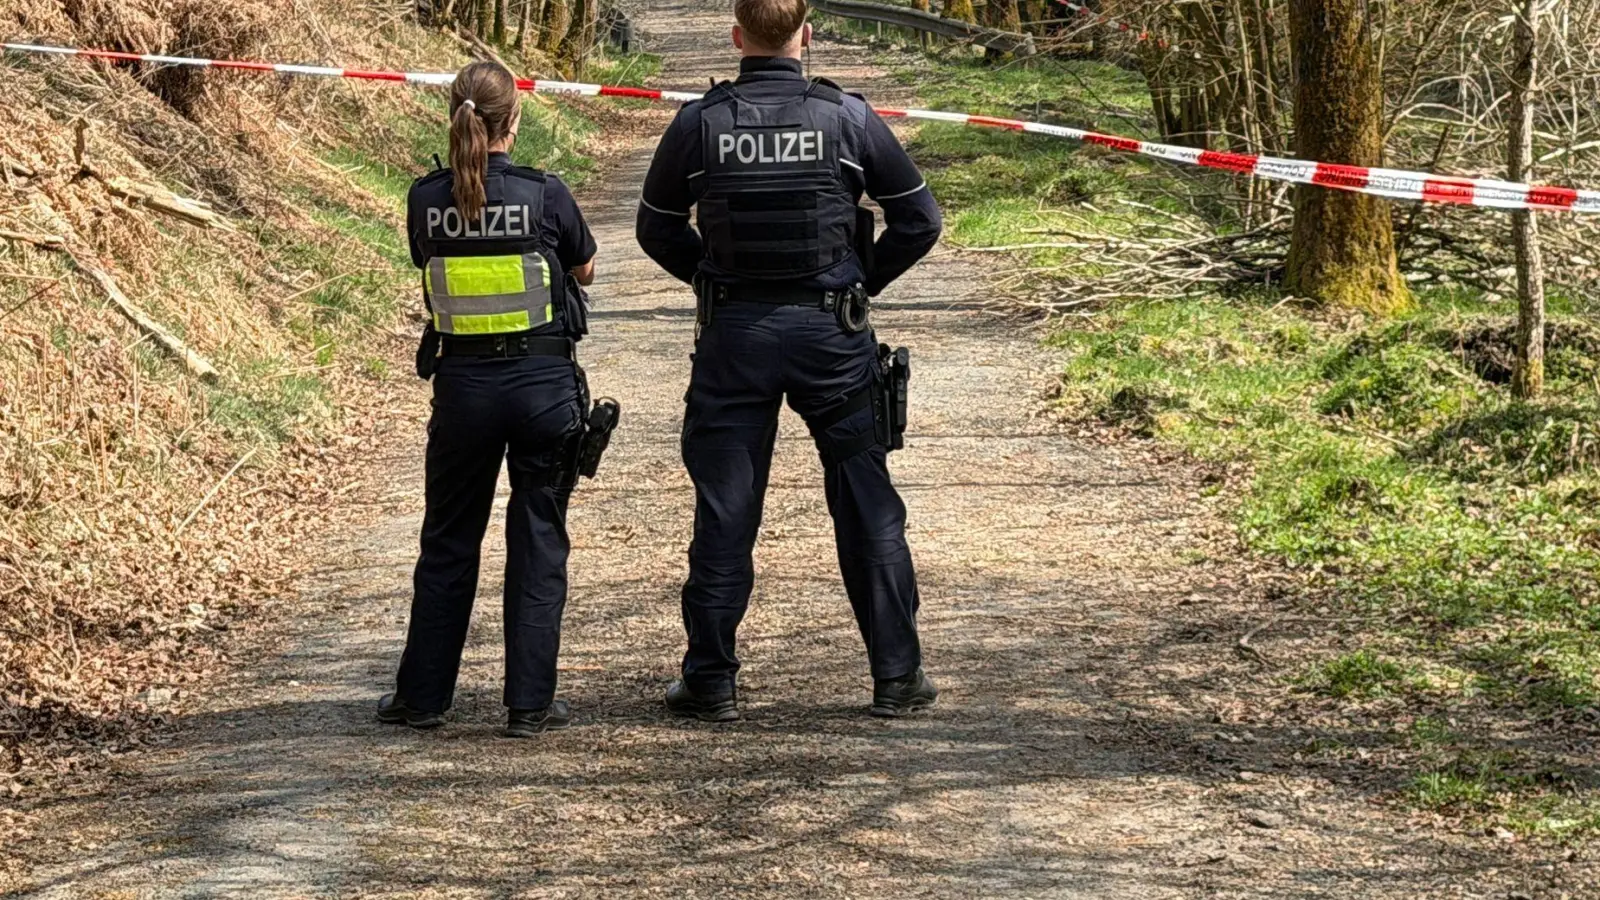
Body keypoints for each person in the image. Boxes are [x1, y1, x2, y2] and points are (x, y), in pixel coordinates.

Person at [636, 0, 943, 720]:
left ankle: (710, 680)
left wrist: (710, 278)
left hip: (734, 338)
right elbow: (919, 220)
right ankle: (896, 676)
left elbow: (654, 227)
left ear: (737, 36)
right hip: (831, 338)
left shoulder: (699, 123)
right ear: (807, 35)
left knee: (725, 510)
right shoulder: (848, 120)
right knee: (867, 502)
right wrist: (862, 278)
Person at [378, 61, 601, 738]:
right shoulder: (546, 194)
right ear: (517, 119)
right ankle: (529, 704)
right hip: (541, 392)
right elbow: (585, 267)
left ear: (454, 115)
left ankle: (422, 699)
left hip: (463, 394)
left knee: (448, 541)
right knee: (538, 541)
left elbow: (427, 258)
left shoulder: (425, 199)